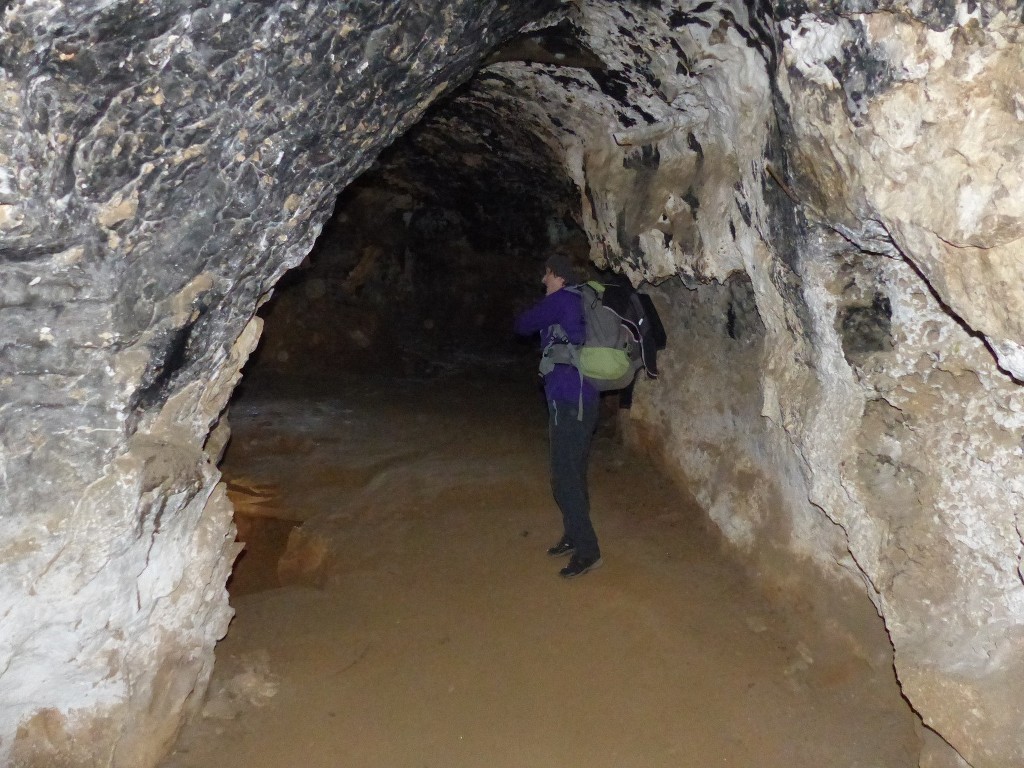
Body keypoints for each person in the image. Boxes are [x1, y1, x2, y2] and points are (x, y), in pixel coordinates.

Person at [514, 253, 602, 578]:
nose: (543, 280)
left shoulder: (562, 300)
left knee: (564, 477)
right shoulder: (579, 302)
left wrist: (545, 307)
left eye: (547, 274)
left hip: (570, 401)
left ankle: (588, 551)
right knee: (573, 473)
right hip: (582, 399)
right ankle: (572, 534)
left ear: (560, 277)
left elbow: (521, 325)